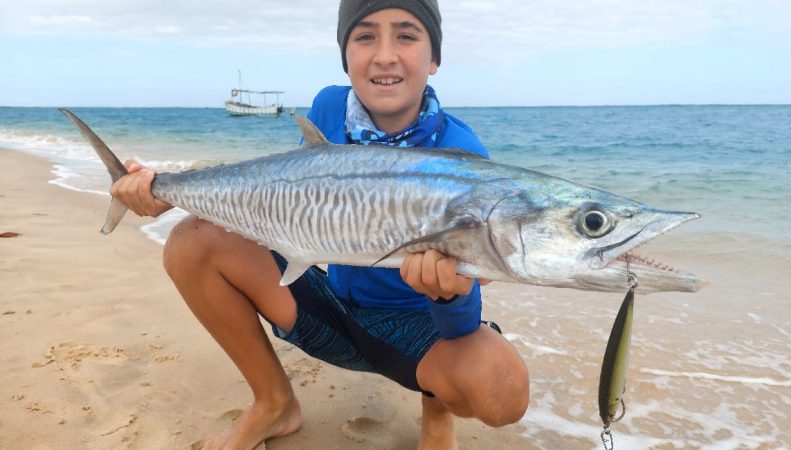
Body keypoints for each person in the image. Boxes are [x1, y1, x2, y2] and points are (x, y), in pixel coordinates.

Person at [111, 0, 529, 448]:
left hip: (419, 332)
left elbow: (463, 315)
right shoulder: (330, 106)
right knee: (190, 242)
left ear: (434, 58)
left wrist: (449, 295)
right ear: (346, 56)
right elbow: (285, 198)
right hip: (333, 307)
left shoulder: (463, 155)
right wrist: (167, 191)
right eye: (365, 36)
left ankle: (437, 412)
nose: (385, 55)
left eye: (406, 36)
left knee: (502, 390)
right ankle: (274, 404)